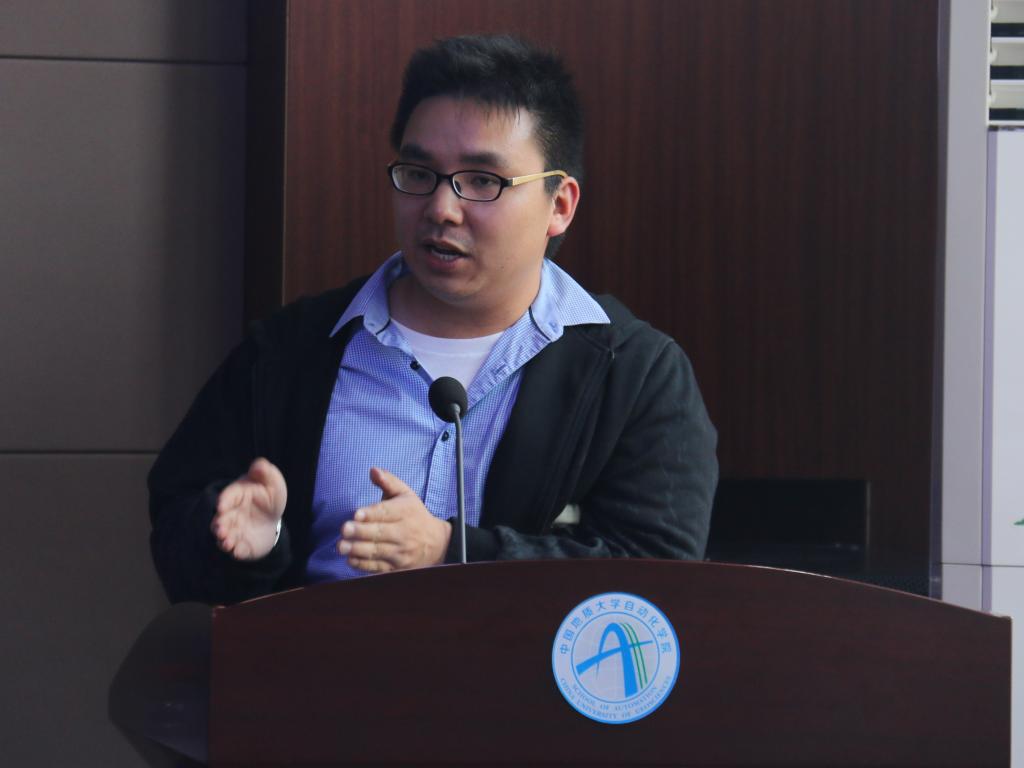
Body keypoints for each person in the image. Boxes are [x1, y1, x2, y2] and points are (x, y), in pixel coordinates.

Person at [148, 34, 718, 605]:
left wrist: (451, 550)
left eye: (483, 181)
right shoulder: (291, 349)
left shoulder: (634, 374)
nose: (441, 209)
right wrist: (247, 544)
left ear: (559, 205)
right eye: (419, 173)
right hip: (318, 662)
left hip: (523, 667)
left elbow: (658, 581)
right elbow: (178, 531)